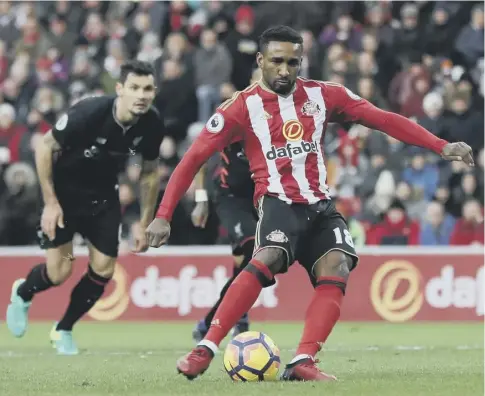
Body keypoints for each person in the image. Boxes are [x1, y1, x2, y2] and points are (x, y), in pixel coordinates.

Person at [146, 26, 474, 381]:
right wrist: (162, 215)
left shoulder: (324, 95)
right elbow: (192, 159)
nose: (285, 70)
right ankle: (205, 348)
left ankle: (303, 360)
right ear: (260, 61)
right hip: (278, 203)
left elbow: (383, 119)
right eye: (276, 61)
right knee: (266, 256)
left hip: (320, 205)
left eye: (293, 62)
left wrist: (441, 145)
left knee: (339, 265)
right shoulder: (240, 109)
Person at [6, 60, 165, 355]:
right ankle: (23, 292)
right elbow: (44, 146)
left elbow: (150, 173)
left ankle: (63, 329)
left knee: (103, 268)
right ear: (120, 89)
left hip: (103, 200)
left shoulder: (152, 123)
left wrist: (144, 221)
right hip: (64, 198)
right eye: (134, 88)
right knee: (60, 271)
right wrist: (51, 203)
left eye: (147, 89)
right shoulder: (90, 112)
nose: (141, 95)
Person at [190, 69, 263, 343]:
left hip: (263, 198)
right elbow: (199, 156)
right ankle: (229, 320)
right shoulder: (232, 113)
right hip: (230, 197)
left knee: (246, 266)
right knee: (252, 252)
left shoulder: (284, 118)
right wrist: (200, 201)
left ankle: (212, 321)